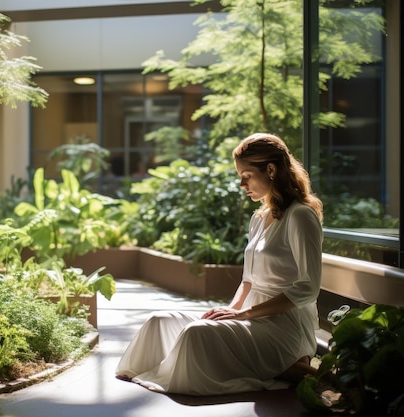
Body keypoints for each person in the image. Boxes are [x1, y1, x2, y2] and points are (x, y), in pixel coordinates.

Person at [115, 132, 323, 396]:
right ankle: (277, 368)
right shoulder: (259, 218)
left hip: (285, 327)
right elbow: (248, 280)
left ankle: (288, 363)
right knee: (160, 321)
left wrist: (243, 314)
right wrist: (231, 309)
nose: (241, 184)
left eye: (246, 176)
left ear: (270, 170)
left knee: (196, 334)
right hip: (250, 318)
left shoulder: (301, 216)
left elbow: (308, 288)